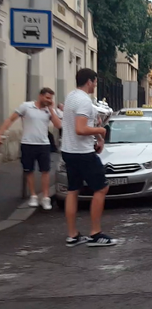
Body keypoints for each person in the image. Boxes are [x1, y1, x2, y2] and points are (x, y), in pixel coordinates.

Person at [60, 68, 116, 247]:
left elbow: (83, 125)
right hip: (82, 153)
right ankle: (95, 233)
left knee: (73, 190)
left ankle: (72, 235)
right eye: (95, 81)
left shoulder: (71, 97)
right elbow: (81, 129)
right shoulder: (84, 101)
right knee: (101, 188)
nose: (96, 84)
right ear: (90, 81)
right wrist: (101, 131)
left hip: (68, 150)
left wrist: (98, 138)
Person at [0, 88, 62, 210]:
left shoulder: (49, 110)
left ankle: (45, 197)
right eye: (47, 98)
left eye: (51, 99)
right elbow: (11, 119)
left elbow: (58, 125)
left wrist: (51, 110)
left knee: (45, 170)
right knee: (29, 171)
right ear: (40, 96)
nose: (49, 101)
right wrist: (1, 133)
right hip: (28, 143)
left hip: (43, 144)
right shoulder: (26, 106)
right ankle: (33, 195)